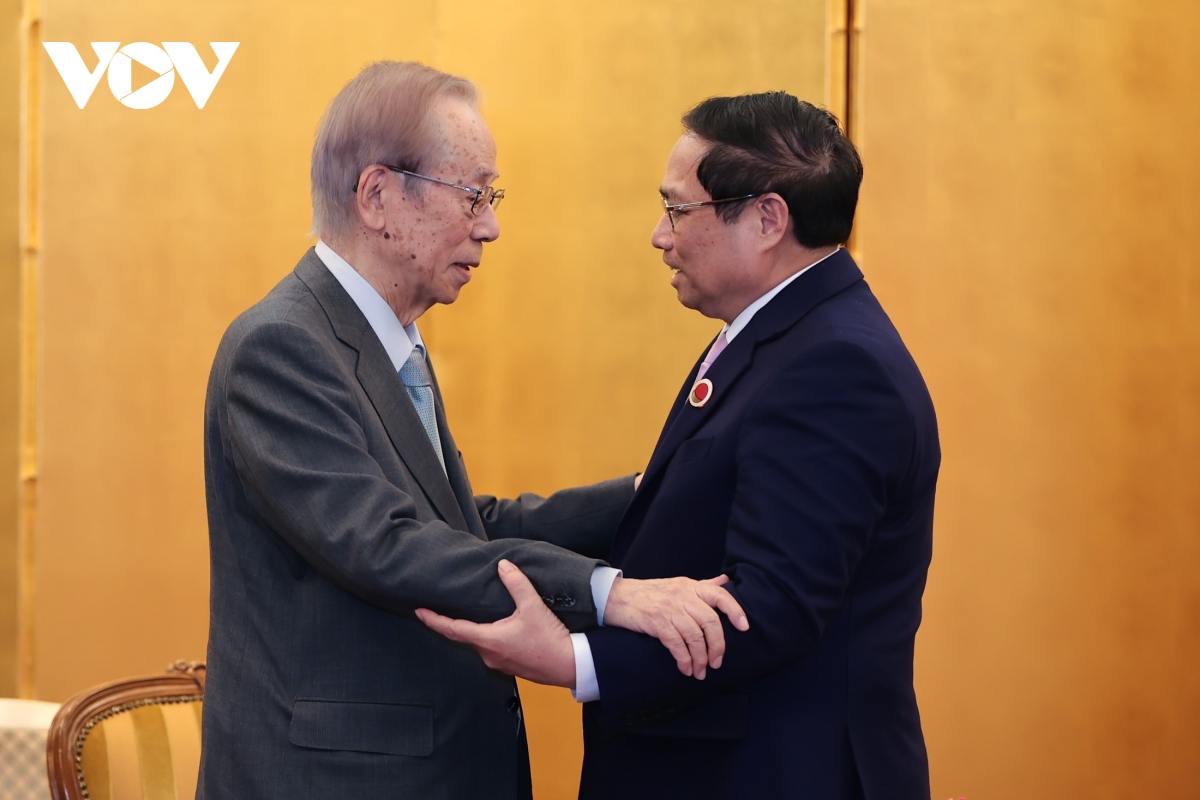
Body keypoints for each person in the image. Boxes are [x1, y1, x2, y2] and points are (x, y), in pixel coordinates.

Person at [197, 61, 744, 800]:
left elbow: (459, 528)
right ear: (378, 196)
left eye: (492, 197)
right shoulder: (280, 346)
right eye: (473, 195)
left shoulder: (388, 341)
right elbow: (387, 543)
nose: (490, 225)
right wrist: (606, 593)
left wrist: (654, 491)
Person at [418, 92, 941, 799]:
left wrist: (575, 658)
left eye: (676, 209)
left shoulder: (835, 364)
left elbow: (773, 606)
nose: (658, 237)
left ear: (766, 220)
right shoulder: (785, 334)